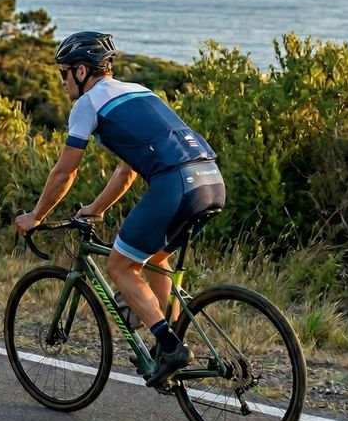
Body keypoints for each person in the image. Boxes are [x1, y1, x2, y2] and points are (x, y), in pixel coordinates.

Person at [13, 31, 226, 388]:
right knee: (156, 258)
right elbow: (127, 170)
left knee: (119, 264)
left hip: (174, 183)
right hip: (210, 180)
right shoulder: (141, 90)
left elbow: (66, 170)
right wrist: (96, 207)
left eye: (63, 73)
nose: (62, 81)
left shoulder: (87, 104)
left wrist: (36, 216)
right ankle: (168, 345)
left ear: (81, 71)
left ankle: (170, 346)